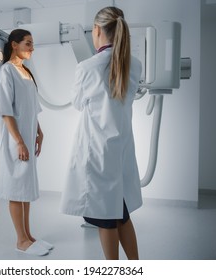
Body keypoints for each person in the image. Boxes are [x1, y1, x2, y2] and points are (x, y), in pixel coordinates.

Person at [60, 7, 143, 260]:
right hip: (122, 149)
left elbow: (76, 102)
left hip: (97, 152)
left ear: (97, 31)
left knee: (107, 218)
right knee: (122, 213)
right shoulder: (135, 65)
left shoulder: (87, 67)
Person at [0, 29, 53, 256]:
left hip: (27, 137)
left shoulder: (26, 72)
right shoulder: (7, 71)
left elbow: (32, 108)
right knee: (16, 189)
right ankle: (20, 241)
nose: (32, 48)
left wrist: (39, 131)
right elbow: (6, 111)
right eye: (28, 43)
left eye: (32, 44)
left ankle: (29, 236)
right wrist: (19, 141)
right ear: (14, 45)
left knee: (25, 190)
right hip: (14, 140)